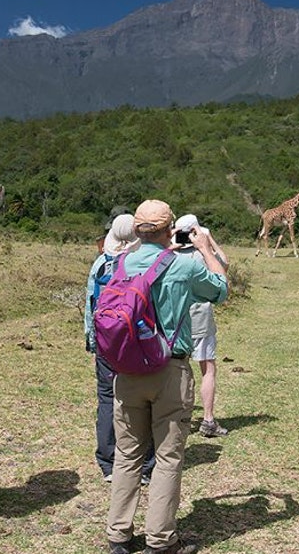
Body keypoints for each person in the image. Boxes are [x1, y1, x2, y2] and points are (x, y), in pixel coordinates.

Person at [106, 200, 228, 554]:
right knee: (167, 457)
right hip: (169, 369)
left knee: (127, 455)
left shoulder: (121, 262)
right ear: (169, 228)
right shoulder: (183, 266)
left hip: (126, 369)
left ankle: (118, 535)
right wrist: (205, 249)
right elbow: (220, 290)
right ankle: (160, 540)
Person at [85, 214, 155, 484]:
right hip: (136, 345)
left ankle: (108, 462)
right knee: (144, 401)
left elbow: (91, 308)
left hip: (106, 344)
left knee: (106, 399)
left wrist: (93, 341)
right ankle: (145, 465)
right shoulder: (142, 263)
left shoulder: (101, 264)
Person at [172, 214, 230, 438]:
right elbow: (224, 265)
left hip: (177, 321)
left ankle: (177, 419)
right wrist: (208, 241)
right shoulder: (203, 256)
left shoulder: (172, 256)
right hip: (201, 320)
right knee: (208, 369)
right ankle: (208, 419)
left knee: (178, 370)